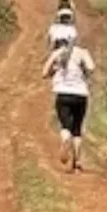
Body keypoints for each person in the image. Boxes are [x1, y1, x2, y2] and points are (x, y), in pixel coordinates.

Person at [42, 35, 96, 172]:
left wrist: (54, 63)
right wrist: (82, 70)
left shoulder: (57, 54)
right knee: (77, 128)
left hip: (63, 94)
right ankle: (77, 163)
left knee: (66, 125)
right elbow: (91, 67)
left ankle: (65, 139)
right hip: (81, 95)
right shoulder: (82, 52)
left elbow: (44, 73)